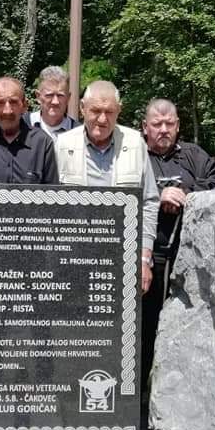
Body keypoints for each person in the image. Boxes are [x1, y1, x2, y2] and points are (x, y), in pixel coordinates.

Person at [142, 98, 215, 384]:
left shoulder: (193, 155)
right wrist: (158, 193)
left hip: (188, 260)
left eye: (169, 124)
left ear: (178, 126)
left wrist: (186, 192)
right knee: (145, 326)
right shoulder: (134, 154)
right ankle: (140, 390)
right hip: (148, 256)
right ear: (145, 127)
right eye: (157, 124)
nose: (163, 130)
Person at [54, 80, 158, 295]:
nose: (102, 119)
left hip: (124, 256)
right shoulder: (62, 145)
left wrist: (144, 258)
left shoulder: (136, 143)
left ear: (119, 111)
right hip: (72, 256)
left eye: (109, 112)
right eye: (95, 111)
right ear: (82, 108)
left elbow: (149, 202)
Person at [24, 66, 78, 141]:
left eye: (60, 95)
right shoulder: (22, 126)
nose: (55, 102)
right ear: (38, 96)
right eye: (49, 95)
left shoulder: (79, 133)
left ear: (68, 98)